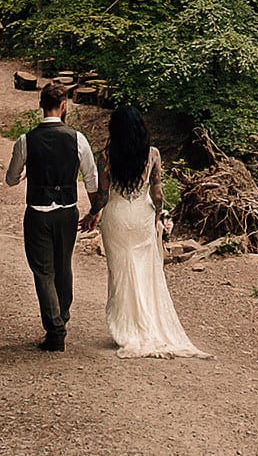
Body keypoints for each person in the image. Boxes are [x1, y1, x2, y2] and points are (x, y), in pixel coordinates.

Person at [82, 105, 211, 359]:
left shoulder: (106, 155)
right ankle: (147, 323)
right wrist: (160, 215)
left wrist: (92, 214)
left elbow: (104, 195)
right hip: (142, 216)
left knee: (119, 272)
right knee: (144, 271)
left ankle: (126, 326)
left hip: (117, 217)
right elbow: (158, 193)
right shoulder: (152, 154)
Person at [4, 82, 98, 351]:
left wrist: (23, 174)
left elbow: (10, 179)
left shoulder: (26, 140)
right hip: (68, 211)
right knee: (63, 266)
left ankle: (55, 329)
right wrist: (94, 210)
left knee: (43, 271)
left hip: (37, 212)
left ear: (40, 105)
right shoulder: (77, 138)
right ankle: (61, 318)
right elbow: (91, 179)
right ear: (64, 105)